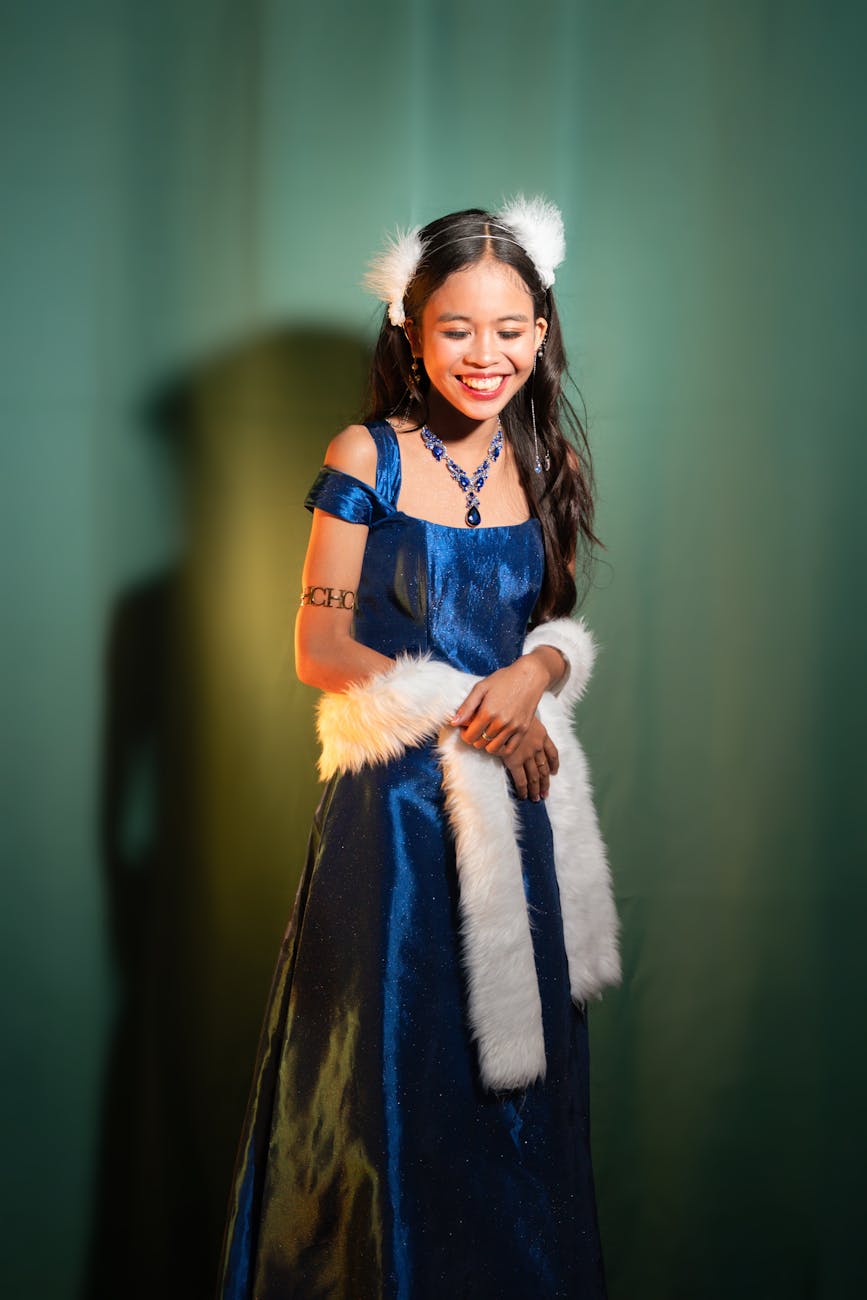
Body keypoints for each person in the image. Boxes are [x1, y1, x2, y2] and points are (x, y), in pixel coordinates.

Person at [217, 197, 620, 1299]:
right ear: (410, 327)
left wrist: (536, 675)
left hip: (519, 817)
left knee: (516, 1109)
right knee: (388, 1094)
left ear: (541, 332)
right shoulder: (369, 456)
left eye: (509, 329)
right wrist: (466, 707)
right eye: (456, 329)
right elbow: (318, 642)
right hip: (395, 826)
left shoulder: (544, 462)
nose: (483, 355)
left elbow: (544, 627)